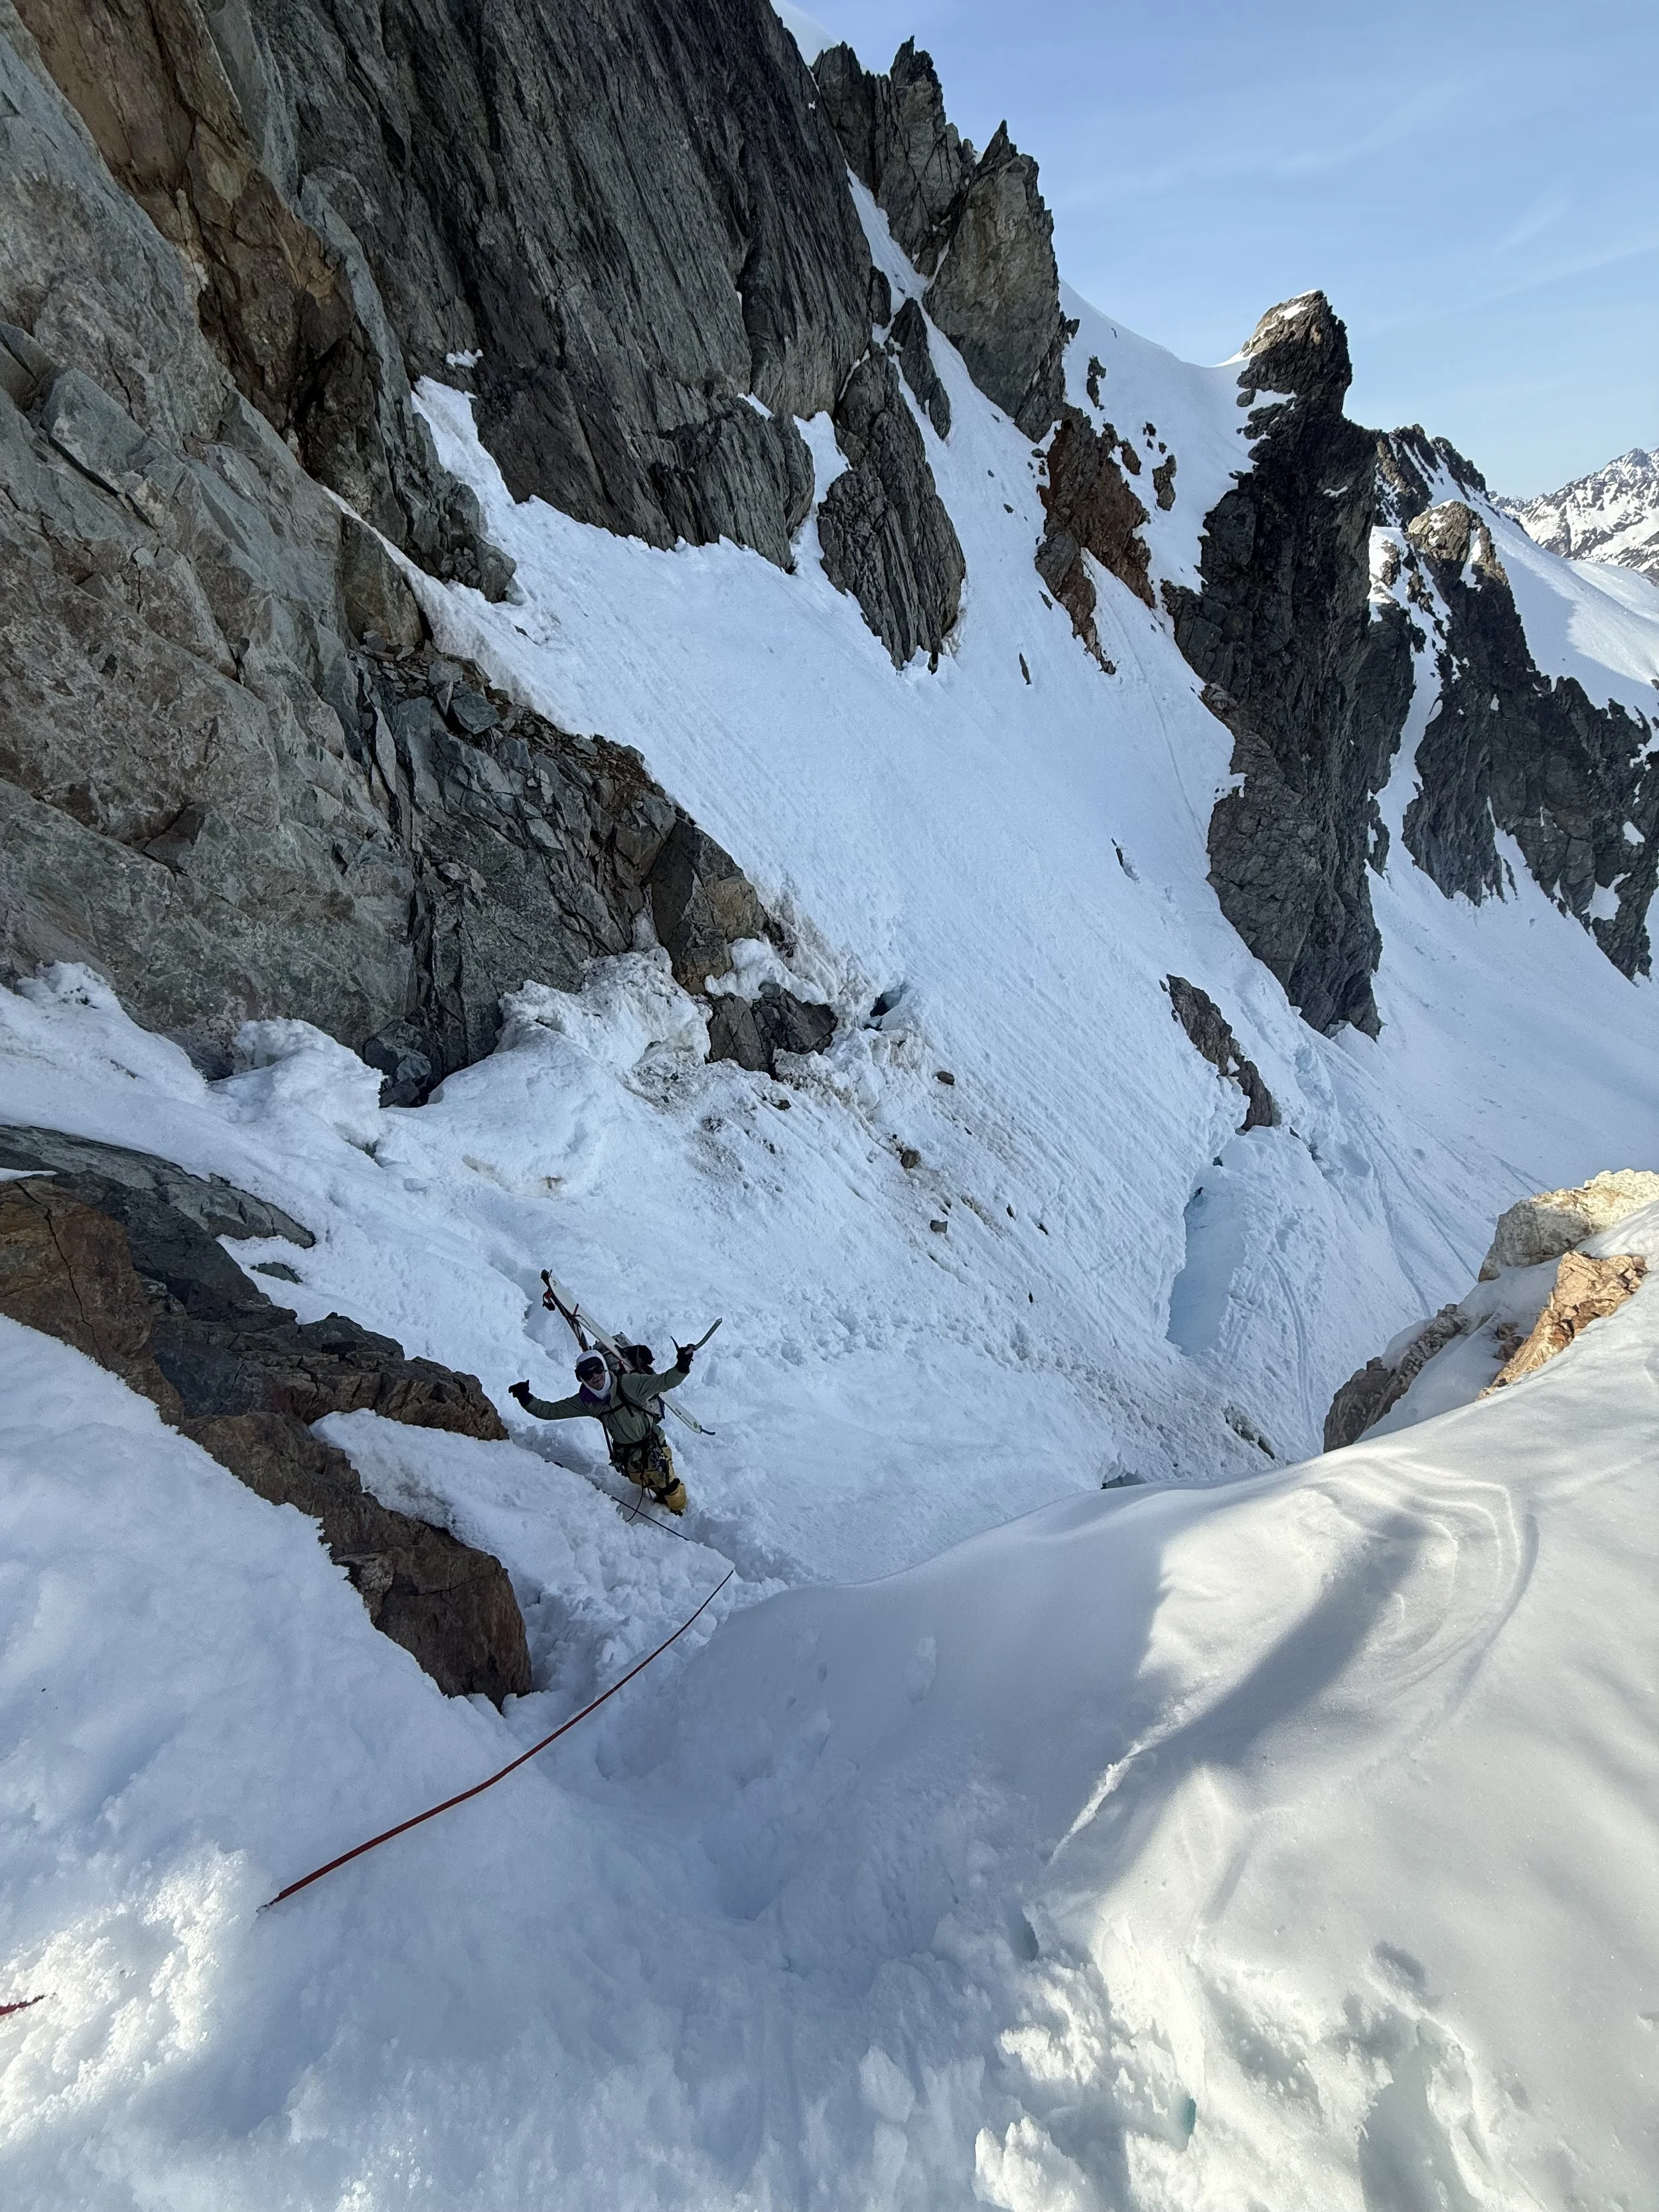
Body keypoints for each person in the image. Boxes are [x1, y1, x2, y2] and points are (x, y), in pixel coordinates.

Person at [508, 1341, 695, 1514]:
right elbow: (551, 1411)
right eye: (588, 1374)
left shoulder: (629, 1384)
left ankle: (680, 1512)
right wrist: (526, 1399)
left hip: (654, 1447)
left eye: (598, 1370)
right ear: (581, 1379)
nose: (595, 1377)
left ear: (605, 1369)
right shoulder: (588, 1401)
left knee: (669, 1485)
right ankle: (662, 1497)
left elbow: (664, 1382)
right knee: (641, 1480)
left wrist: (682, 1365)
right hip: (629, 1458)